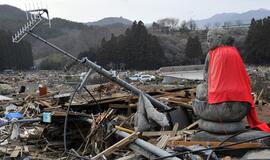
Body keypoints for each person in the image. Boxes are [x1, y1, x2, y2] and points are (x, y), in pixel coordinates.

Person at [204, 29, 270, 132]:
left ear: (219, 38)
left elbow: (206, 74)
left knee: (201, 90)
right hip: (242, 101)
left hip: (218, 100)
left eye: (209, 40)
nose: (208, 42)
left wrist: (208, 83)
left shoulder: (211, 54)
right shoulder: (234, 51)